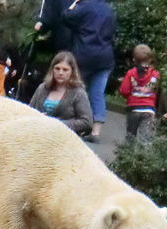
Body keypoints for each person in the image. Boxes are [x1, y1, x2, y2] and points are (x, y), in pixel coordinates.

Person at [60, 0, 116, 141]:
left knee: (75, 89)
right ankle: (96, 132)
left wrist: (74, 3)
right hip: (105, 57)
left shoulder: (85, 6)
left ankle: (73, 125)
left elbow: (66, 16)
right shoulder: (109, 9)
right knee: (97, 93)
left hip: (83, 55)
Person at [29, 51, 93, 136]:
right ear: (52, 70)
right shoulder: (43, 88)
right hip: (38, 136)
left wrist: (56, 124)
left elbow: (87, 122)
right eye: (57, 68)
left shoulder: (78, 93)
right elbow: (29, 111)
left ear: (72, 71)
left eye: (65, 70)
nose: (60, 73)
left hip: (64, 140)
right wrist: (37, 117)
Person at [119, 44, 160, 142]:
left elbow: (124, 91)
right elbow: (157, 90)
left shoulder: (131, 73)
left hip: (133, 109)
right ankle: (144, 156)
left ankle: (127, 155)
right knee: (146, 139)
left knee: (130, 136)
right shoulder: (156, 74)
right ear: (150, 59)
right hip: (149, 109)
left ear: (134, 60)